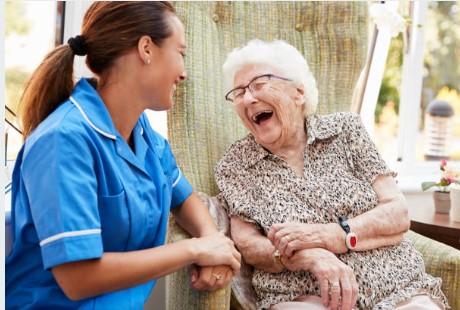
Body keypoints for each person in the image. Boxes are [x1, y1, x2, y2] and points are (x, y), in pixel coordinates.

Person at [6, 2, 241, 309]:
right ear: (146, 49)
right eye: (180, 53)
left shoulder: (144, 136)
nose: (183, 73)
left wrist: (214, 242)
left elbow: (182, 197)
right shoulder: (63, 140)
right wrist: (196, 250)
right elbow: (78, 278)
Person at [214, 39, 449, 310]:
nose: (248, 98)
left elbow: (397, 213)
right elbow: (249, 245)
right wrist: (312, 257)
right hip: (304, 295)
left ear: (298, 92)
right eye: (239, 92)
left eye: (258, 84)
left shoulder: (346, 130)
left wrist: (330, 236)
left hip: (398, 288)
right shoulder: (236, 164)